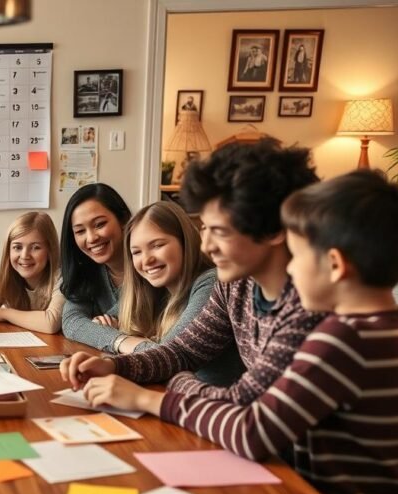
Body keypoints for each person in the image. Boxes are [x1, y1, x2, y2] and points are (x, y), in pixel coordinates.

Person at [75, 170, 398, 494]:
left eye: (299, 254)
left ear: (335, 265)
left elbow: (251, 428)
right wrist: (118, 364)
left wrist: (156, 397)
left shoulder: (337, 336)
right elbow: (185, 352)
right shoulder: (393, 324)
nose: (207, 245)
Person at [61, 139, 325, 406]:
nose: (207, 246)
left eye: (219, 231)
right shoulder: (234, 287)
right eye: (205, 229)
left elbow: (246, 408)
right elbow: (181, 353)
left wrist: (148, 397)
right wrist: (113, 367)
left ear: (274, 230)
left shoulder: (308, 306)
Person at [113, 202, 243, 384]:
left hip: (209, 404)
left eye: (157, 245)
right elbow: (79, 325)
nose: (147, 260)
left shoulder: (212, 281)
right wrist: (119, 341)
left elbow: (169, 356)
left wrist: (121, 342)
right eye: (136, 252)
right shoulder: (155, 289)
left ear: (185, 241)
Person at [0, 212, 65, 334]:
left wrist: (4, 313)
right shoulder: (7, 278)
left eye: (36, 247)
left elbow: (50, 323)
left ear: (50, 250)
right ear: (8, 250)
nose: (25, 255)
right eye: (17, 247)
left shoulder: (61, 277)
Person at [59, 183, 132, 351]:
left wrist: (102, 326)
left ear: (123, 219)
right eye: (80, 231)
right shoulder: (86, 270)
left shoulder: (148, 267)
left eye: (99, 224)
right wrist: (115, 337)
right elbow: (72, 322)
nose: (91, 238)